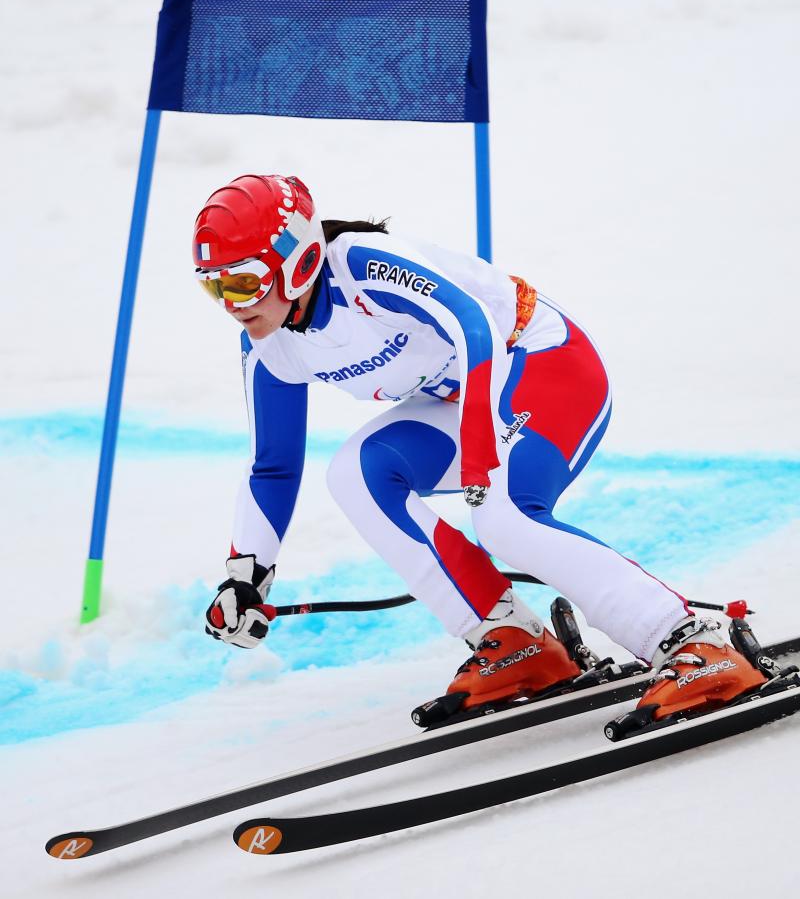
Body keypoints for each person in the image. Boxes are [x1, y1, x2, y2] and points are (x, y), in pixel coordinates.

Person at [197, 173, 765, 724]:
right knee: (354, 473)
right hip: (469, 394)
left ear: (297, 262)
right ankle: (513, 639)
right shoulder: (269, 346)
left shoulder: (362, 265)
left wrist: (478, 449)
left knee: (502, 515)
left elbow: (474, 326)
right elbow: (272, 467)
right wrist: (247, 575)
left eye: (242, 282)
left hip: (542, 363)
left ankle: (689, 641)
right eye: (212, 285)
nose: (231, 303)